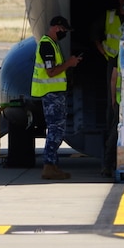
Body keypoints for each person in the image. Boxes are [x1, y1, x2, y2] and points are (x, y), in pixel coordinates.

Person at [91, 0, 124, 178]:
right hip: (113, 62)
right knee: (114, 126)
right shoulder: (109, 17)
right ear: (120, 1)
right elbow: (94, 34)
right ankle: (108, 164)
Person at [31, 15, 82, 180]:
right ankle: (49, 165)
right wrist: (69, 64)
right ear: (56, 27)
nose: (64, 33)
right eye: (63, 30)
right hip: (51, 94)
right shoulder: (47, 45)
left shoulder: (53, 44)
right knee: (55, 131)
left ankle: (53, 165)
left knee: (57, 130)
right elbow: (51, 71)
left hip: (55, 94)